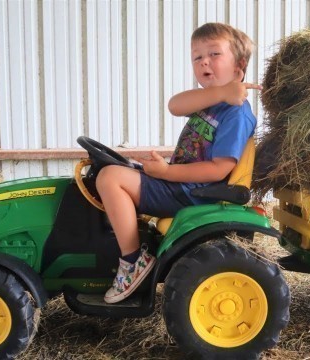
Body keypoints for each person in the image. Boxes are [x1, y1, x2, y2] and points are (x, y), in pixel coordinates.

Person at [96, 22, 261, 304]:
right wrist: (220, 93)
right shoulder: (212, 102)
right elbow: (175, 105)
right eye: (197, 57)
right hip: (179, 184)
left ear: (239, 67)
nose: (204, 61)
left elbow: (218, 169)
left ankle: (133, 261)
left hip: (191, 194)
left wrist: (167, 172)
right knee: (111, 169)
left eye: (214, 54)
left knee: (109, 177)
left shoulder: (236, 114)